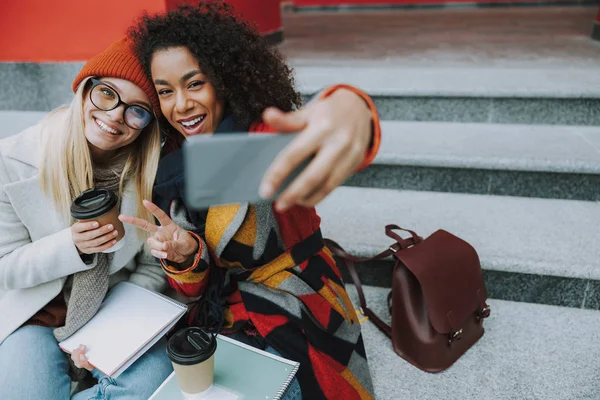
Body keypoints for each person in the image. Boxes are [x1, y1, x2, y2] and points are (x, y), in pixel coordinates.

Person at [120, 3, 381, 399]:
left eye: (195, 84)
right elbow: (195, 285)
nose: (181, 105)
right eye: (165, 92)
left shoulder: (262, 134)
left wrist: (352, 107)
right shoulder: (172, 164)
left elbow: (322, 133)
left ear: (223, 80)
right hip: (216, 318)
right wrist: (184, 254)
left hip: (300, 308)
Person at [0, 37, 173, 399]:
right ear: (84, 89)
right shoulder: (12, 161)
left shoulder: (150, 174)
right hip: (32, 312)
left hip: (111, 306)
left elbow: (151, 266)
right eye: (108, 94)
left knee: (152, 386)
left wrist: (109, 331)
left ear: (147, 124)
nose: (115, 116)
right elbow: (5, 267)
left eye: (137, 110)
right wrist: (72, 246)